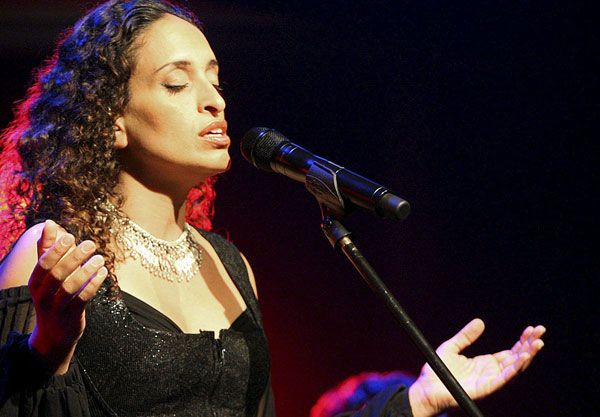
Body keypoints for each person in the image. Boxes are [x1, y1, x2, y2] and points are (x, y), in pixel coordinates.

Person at [0, 1, 545, 416]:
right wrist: (47, 350)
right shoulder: (53, 255)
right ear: (111, 120)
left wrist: (416, 401)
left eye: (215, 80)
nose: (215, 100)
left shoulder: (230, 267)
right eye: (177, 83)